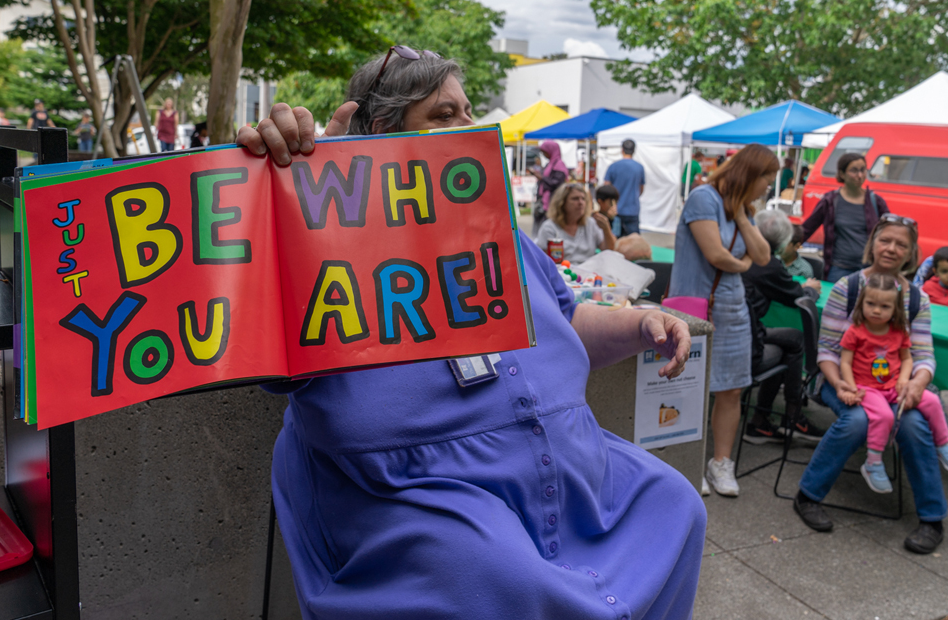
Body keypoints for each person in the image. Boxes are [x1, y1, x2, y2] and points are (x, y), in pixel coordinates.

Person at [236, 48, 706, 619]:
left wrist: (640, 324)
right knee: (488, 570)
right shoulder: (321, 244)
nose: (469, 127)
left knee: (676, 503)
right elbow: (266, 350)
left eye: (468, 111)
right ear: (383, 133)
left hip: (577, 474)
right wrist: (290, 208)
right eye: (443, 114)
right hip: (424, 496)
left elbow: (562, 321)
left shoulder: (501, 230)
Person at [793, 215, 946, 555]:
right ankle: (808, 495)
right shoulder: (848, 288)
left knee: (914, 422)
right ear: (873, 243)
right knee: (858, 419)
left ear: (912, 252)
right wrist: (842, 386)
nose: (892, 248)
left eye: (901, 244)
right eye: (885, 240)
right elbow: (828, 351)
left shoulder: (918, 298)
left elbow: (922, 355)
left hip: (894, 385)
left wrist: (918, 382)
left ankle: (932, 518)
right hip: (843, 379)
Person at [667, 144, 775, 497]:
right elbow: (717, 255)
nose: (769, 188)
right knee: (691, 388)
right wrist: (740, 264)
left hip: (732, 310)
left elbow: (763, 255)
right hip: (696, 307)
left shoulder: (740, 209)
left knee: (731, 388)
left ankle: (720, 463)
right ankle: (689, 460)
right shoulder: (703, 197)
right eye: (767, 179)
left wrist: (743, 215)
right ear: (750, 173)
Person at [837, 272, 948, 494]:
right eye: (871, 304)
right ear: (862, 304)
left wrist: (905, 380)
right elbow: (845, 363)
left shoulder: (899, 331)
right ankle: (873, 462)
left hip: (894, 387)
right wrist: (851, 388)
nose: (876, 310)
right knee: (884, 416)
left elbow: (908, 359)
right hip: (867, 388)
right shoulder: (855, 332)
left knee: (932, 401)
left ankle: (943, 446)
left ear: (895, 309)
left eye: (884, 307)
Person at [742, 210, 824, 444]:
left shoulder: (737, 253)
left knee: (794, 340)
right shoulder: (766, 263)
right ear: (782, 242)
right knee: (794, 345)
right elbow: (797, 297)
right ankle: (790, 417)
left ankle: (766, 420)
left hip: (734, 336)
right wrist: (809, 289)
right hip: (747, 344)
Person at [802, 153, 890, 283]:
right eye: (854, 170)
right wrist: (786, 245)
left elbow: (890, 231)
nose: (860, 175)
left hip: (869, 270)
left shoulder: (875, 202)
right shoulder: (830, 201)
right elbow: (807, 229)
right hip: (839, 269)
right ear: (842, 174)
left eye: (863, 170)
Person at [535, 183, 615, 265]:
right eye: (575, 199)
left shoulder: (590, 223)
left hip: (588, 273)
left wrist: (606, 230)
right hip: (563, 273)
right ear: (562, 203)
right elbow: (541, 259)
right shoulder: (550, 227)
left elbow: (608, 251)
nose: (581, 202)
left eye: (583, 199)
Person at [594, 184, 652, 261]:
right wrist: (609, 221)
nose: (614, 206)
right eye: (611, 202)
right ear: (600, 202)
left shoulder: (617, 219)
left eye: (616, 202)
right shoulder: (595, 219)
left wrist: (613, 219)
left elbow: (623, 236)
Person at [603, 139, 644, 235]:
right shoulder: (639, 167)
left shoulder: (613, 166)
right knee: (633, 243)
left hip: (616, 210)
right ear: (634, 150)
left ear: (622, 150)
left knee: (615, 242)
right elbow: (641, 189)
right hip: (633, 209)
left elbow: (606, 188)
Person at [529, 140, 569, 237]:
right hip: (544, 202)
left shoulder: (558, 165)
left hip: (553, 202)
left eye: (545, 152)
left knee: (549, 230)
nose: (544, 154)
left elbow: (557, 184)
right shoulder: (550, 164)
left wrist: (541, 177)